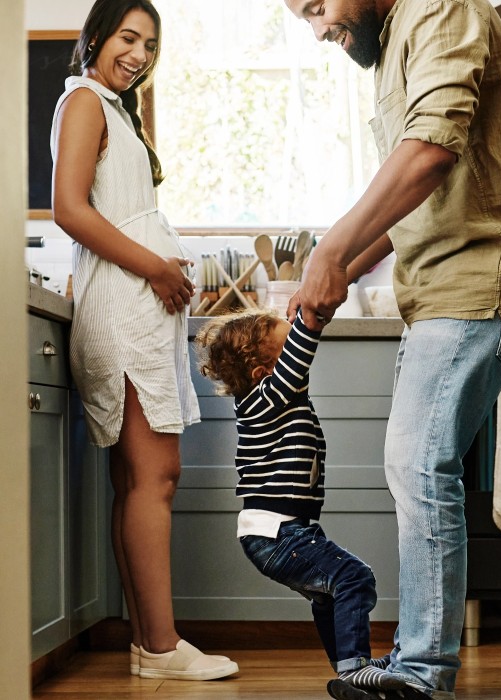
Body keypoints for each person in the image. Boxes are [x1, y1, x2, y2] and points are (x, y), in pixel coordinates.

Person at [282, 1, 501, 700]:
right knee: (415, 465)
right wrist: (336, 268)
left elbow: (429, 150)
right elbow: (413, 199)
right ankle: (415, 666)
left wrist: (334, 248)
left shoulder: (439, 6)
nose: (318, 29)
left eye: (316, 6)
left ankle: (421, 677)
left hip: (483, 277)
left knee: (414, 461)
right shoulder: (397, 34)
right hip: (439, 288)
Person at [50, 0, 239, 681]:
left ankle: (149, 645)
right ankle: (160, 648)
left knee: (138, 478)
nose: (139, 54)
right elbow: (68, 208)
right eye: (128, 37)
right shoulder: (85, 103)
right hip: (126, 311)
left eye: (151, 45)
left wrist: (166, 264)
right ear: (96, 36)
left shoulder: (114, 108)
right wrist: (155, 265)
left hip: (132, 306)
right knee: (156, 477)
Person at [195, 307, 399, 693]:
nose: (298, 359)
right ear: (264, 374)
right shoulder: (262, 400)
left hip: (286, 531)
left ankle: (349, 671)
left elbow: (292, 365)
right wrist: (312, 321)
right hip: (277, 533)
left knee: (328, 595)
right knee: (354, 577)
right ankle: (355, 667)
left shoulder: (276, 402)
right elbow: (298, 358)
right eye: (287, 349)